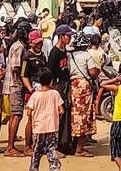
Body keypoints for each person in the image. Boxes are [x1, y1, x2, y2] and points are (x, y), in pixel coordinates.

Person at [25, 68, 63, 171]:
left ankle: (34, 168)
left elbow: (29, 111)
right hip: (52, 127)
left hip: (38, 128)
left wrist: (31, 120)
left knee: (36, 152)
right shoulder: (55, 93)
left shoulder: (35, 95)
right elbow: (61, 111)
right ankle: (54, 169)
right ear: (51, 80)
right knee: (51, 150)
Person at [69, 31, 100, 157]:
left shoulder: (70, 55)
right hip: (84, 87)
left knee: (74, 115)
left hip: (73, 86)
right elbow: (92, 73)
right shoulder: (87, 56)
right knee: (84, 116)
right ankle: (80, 149)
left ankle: (74, 145)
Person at [46, 25, 73, 155]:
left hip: (64, 85)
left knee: (66, 115)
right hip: (57, 87)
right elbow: (49, 72)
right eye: (68, 36)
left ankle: (63, 143)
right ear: (61, 36)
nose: (70, 38)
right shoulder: (54, 52)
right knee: (58, 116)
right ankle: (54, 147)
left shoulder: (64, 51)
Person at [3, 25, 28, 157]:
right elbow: (16, 68)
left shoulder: (16, 45)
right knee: (17, 115)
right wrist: (24, 78)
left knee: (15, 115)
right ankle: (10, 147)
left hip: (13, 84)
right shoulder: (19, 47)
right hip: (16, 84)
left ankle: (10, 145)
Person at [21, 30, 47, 155]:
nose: (39, 45)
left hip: (43, 90)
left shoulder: (42, 55)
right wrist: (30, 89)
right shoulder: (27, 56)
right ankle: (27, 146)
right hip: (32, 91)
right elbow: (24, 75)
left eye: (40, 42)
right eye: (37, 43)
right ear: (31, 43)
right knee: (31, 119)